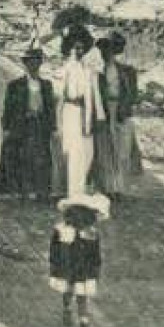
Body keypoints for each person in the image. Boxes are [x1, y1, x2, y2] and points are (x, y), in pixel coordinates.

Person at [0, 46, 56, 200]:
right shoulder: (15, 85)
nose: (33, 65)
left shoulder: (46, 85)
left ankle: (39, 190)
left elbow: (50, 108)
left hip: (39, 124)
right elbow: (8, 107)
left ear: (40, 64)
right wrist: (7, 127)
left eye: (36, 62)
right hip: (21, 124)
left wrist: (52, 127)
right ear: (26, 64)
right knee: (18, 156)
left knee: (39, 157)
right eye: (30, 62)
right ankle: (15, 190)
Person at [49, 193, 108, 327]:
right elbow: (54, 248)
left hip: (82, 270)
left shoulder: (91, 233)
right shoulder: (61, 230)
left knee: (81, 296)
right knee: (69, 291)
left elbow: (95, 254)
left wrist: (95, 269)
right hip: (67, 268)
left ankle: (83, 320)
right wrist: (55, 263)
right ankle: (68, 309)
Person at [56, 24, 105, 199]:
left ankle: (81, 188)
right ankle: (73, 192)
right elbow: (61, 95)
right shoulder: (67, 68)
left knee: (87, 152)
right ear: (70, 48)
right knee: (73, 152)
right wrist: (58, 121)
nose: (79, 50)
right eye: (75, 47)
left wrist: (99, 116)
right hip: (71, 112)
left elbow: (94, 94)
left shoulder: (88, 68)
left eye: (82, 47)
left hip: (86, 112)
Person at [92, 32, 142, 200]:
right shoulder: (97, 72)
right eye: (104, 49)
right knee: (105, 150)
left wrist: (124, 106)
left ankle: (119, 188)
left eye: (110, 48)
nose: (107, 52)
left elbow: (133, 94)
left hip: (120, 111)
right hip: (103, 111)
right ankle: (107, 187)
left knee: (122, 150)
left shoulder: (127, 71)